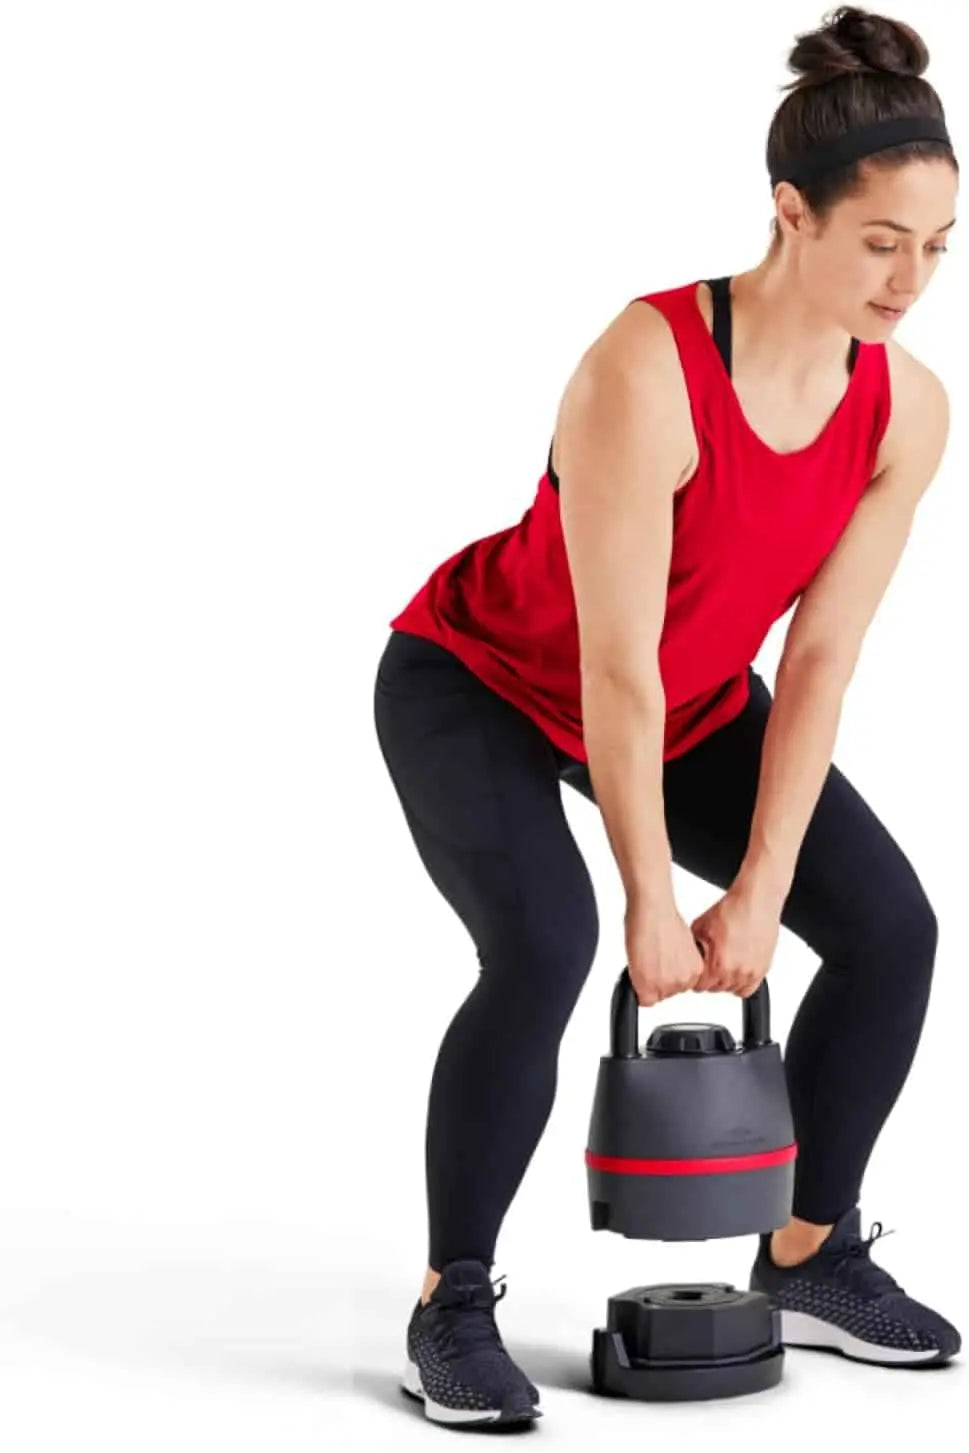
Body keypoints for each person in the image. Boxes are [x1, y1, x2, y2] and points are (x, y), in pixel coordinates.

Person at [372, 5, 961, 1429]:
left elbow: (817, 661)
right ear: (788, 214)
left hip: (695, 699)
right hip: (487, 681)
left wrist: (756, 889)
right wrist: (653, 895)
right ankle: (453, 1301)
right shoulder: (645, 363)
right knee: (549, 943)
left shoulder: (904, 410)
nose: (910, 279)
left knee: (889, 928)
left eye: (936, 247)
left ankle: (809, 1254)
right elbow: (611, 664)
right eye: (880, 242)